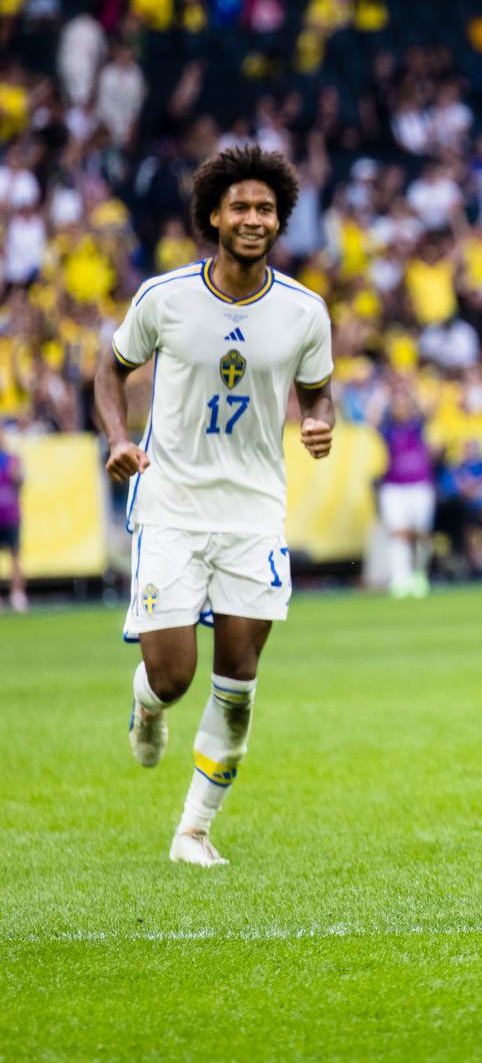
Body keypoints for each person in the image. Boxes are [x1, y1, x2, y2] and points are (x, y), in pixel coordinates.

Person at [95, 146, 336, 867]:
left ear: (280, 218)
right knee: (172, 676)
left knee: (237, 683)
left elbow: (319, 388)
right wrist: (116, 435)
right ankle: (147, 705)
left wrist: (320, 419)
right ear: (213, 216)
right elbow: (112, 369)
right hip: (171, 502)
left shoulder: (303, 310)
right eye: (240, 207)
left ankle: (193, 832)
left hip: (254, 511)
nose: (253, 219)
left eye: (265, 208)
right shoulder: (164, 297)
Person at [374, 379, 436, 597]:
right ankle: (400, 578)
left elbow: (429, 409)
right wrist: (385, 393)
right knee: (398, 533)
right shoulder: (387, 430)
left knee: (420, 534)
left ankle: (419, 574)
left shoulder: (418, 427)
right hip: (394, 487)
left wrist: (410, 389)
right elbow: (371, 418)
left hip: (420, 486)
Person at [0, 426, 24, 612]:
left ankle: (17, 595)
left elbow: (20, 481)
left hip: (10, 514)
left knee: (15, 556)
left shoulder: (11, 459)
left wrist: (16, 471)